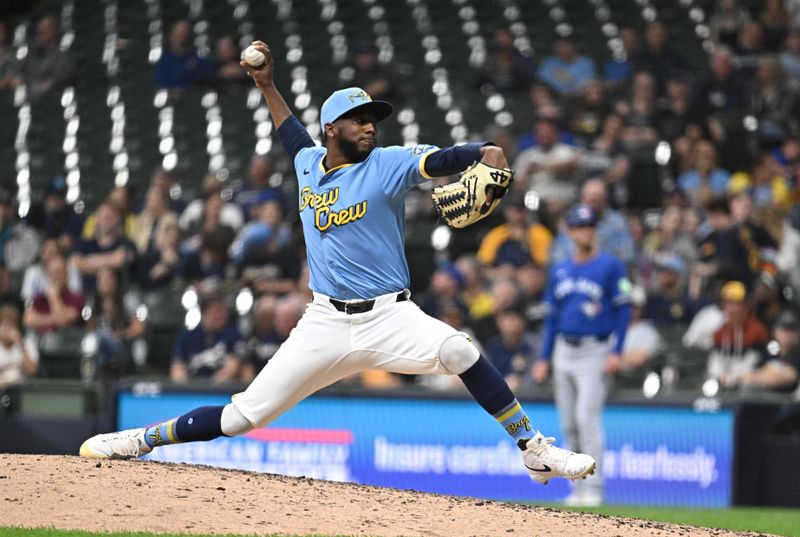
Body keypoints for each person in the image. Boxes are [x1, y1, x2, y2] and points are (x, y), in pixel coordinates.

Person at [79, 39, 597, 487]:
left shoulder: (388, 164)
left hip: (391, 316)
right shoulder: (307, 163)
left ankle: (532, 447)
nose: (370, 127)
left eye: (373, 119)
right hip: (324, 322)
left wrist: (484, 151)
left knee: (460, 349)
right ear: (332, 129)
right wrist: (266, 84)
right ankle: (141, 439)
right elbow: (289, 130)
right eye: (359, 120)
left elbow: (439, 160)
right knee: (241, 417)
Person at [533, 203, 631, 507]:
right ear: (569, 231)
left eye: (590, 226)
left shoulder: (611, 265)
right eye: (580, 226)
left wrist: (617, 350)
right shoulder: (560, 269)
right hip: (564, 348)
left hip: (595, 349)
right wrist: (544, 357)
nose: (586, 231)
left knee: (586, 419)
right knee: (569, 424)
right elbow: (552, 318)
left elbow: (624, 309)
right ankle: (577, 489)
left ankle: (595, 490)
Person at [707, 280, 770, 389]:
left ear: (745, 306)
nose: (730, 309)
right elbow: (715, 361)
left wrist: (734, 377)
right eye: (727, 304)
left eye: (735, 304)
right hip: (724, 381)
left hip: (749, 382)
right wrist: (718, 375)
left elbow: (755, 362)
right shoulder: (720, 332)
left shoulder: (757, 331)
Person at [170, 295, 243, 383]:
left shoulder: (233, 334)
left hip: (221, 390)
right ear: (204, 314)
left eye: (224, 311)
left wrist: (208, 388)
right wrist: (186, 389)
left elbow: (233, 366)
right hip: (191, 389)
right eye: (218, 311)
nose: (222, 315)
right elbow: (177, 368)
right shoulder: (188, 336)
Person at [737, 310, 800, 393]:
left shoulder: (797, 356)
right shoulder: (768, 353)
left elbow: (789, 378)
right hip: (760, 399)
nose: (787, 335)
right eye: (784, 330)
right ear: (775, 331)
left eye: (792, 330)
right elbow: (748, 376)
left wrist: (760, 377)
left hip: (787, 402)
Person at [0, 305, 38, 389]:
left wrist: (20, 344)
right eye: (4, 326)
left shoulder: (26, 342)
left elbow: (32, 370)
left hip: (21, 389)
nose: (7, 331)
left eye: (11, 326)